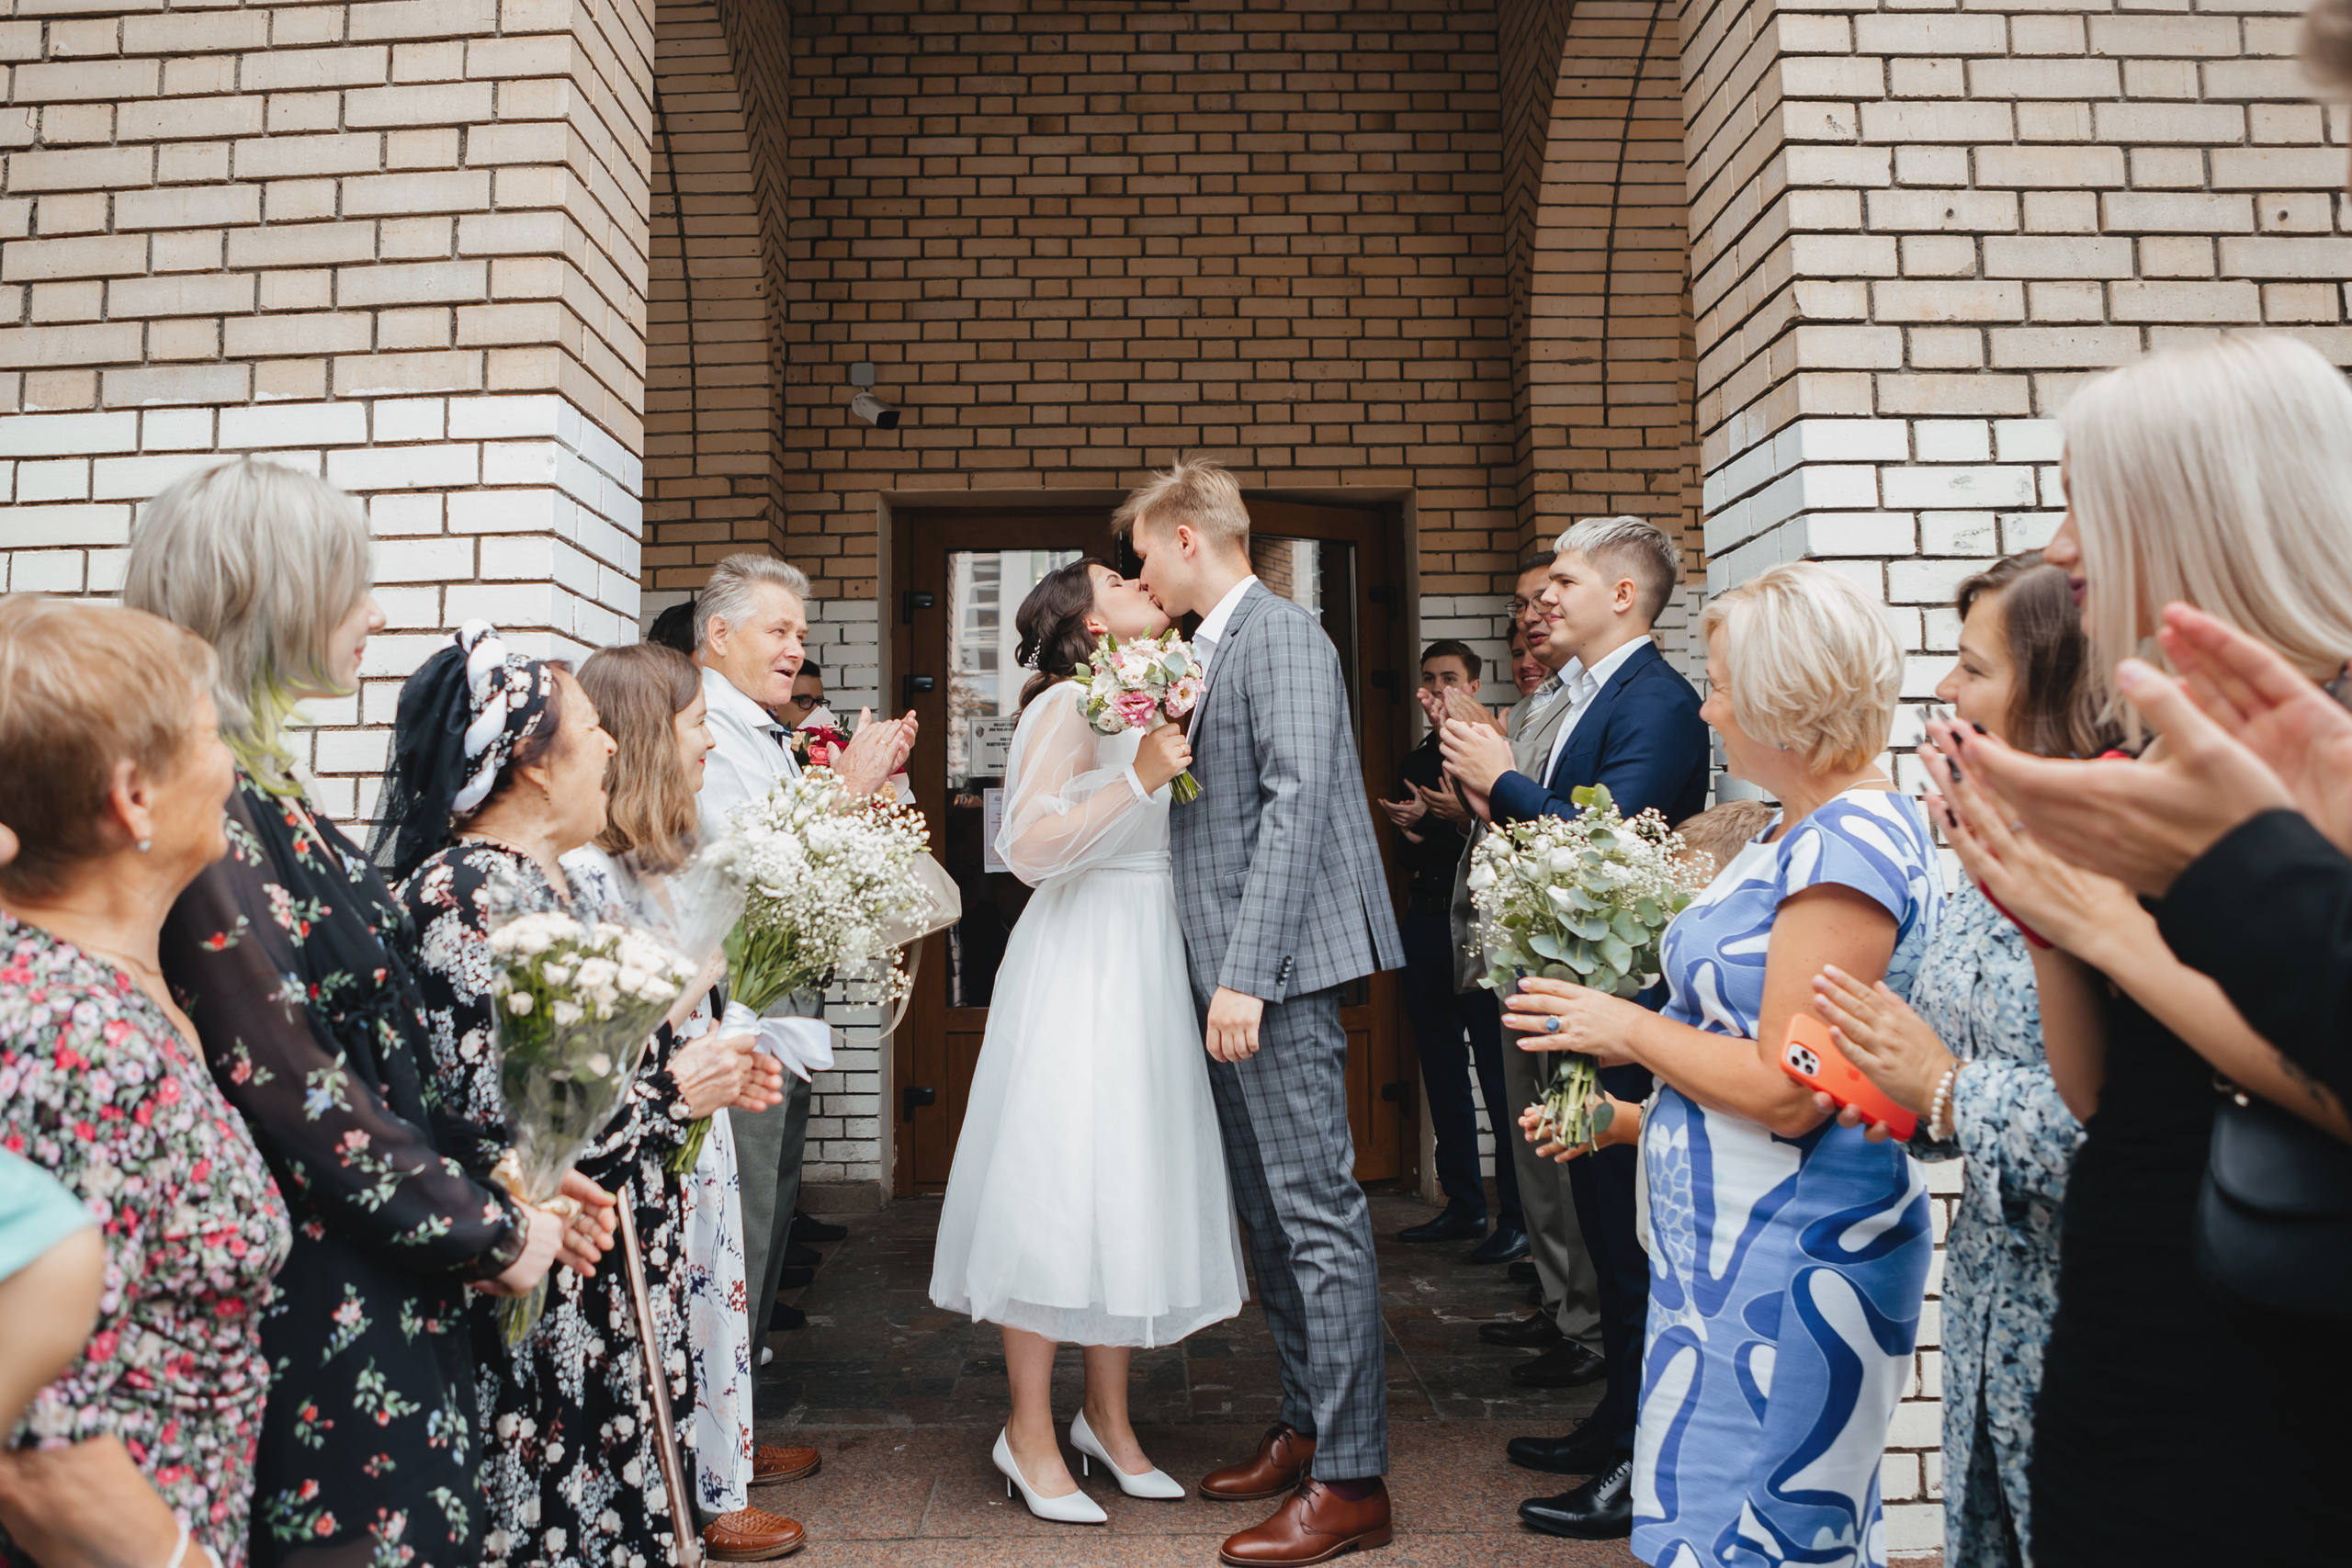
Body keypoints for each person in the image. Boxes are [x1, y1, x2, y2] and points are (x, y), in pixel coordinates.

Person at [1910, 333, 2352, 1564]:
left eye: (2082, 504)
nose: (2059, 549)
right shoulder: (2163, 754)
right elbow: (2105, 1088)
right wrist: (2045, 908)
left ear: (2203, 514)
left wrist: (2115, 924)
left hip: (2276, 1342)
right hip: (2132, 1305)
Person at [128, 459, 590, 1568]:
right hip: (324, 1291)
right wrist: (488, 1228)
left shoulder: (266, 787)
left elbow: (380, 1056)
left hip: (386, 1257)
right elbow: (285, 1078)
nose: (376, 614)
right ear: (268, 594)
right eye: (350, 584)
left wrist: (503, 1170)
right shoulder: (211, 810)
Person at [1506, 559, 1941, 1556]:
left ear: (1790, 697)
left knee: (1759, 1535)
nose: (1706, 709)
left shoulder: (1848, 849)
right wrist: (1617, 1121)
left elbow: (1792, 1097)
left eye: (1723, 684)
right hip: (1730, 1246)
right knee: (1704, 1523)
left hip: (1794, 1256)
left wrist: (1622, 1031)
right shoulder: (1792, 832)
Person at [379, 623, 779, 1567]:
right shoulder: (469, 895)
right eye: (589, 726)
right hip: (543, 1277)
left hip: (602, 1256)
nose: (609, 744)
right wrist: (677, 1090)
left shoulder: (540, 884)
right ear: (525, 758)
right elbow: (510, 1134)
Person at [1124, 456, 1405, 1567]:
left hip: (1266, 976)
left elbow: (1296, 807)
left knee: (1314, 1215)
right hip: (1230, 974)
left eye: (1145, 546)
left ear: (1189, 538)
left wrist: (1246, 973)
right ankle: (1305, 1426)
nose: (1136, 565)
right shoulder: (1211, 643)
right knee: (1270, 1213)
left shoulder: (1281, 636)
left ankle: (1351, 1480)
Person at [928, 558, 1243, 1524]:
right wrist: (1141, 780)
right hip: (1080, 956)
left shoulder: (1154, 697)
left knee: (1128, 1179)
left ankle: (1107, 1419)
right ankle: (1027, 1428)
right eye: (1117, 577)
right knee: (1057, 1176)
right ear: (1090, 624)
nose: (1141, 578)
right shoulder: (1063, 704)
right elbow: (1024, 849)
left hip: (1151, 953)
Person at [1804, 555, 2102, 1568]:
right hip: (1990, 1293)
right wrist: (1881, 1089)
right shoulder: (1986, 846)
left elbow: (2120, 1125)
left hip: (2094, 1312)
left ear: (2055, 684)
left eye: (1971, 668)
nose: (1943, 689)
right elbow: (1919, 1055)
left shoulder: (2115, 858)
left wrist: (1941, 1087)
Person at [0, 598, 291, 1568]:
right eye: (212, 737)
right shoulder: (65, 1038)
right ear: (131, 796)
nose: (231, 768)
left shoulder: (121, 990)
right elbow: (40, 1448)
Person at [1441, 518, 1712, 1514]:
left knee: (1629, 1229)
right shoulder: (1586, 692)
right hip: (1579, 994)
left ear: (1623, 596)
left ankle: (1642, 1460)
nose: (1544, 596)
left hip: (1628, 999)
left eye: (1563, 580)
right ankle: (1615, 1421)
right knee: (1603, 1223)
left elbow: (1611, 846)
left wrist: (1498, 777)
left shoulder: (1661, 704)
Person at [568, 643, 799, 1559]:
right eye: (698, 724)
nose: (710, 743)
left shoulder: (664, 857)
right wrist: (695, 979)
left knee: (708, 1296)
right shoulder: (587, 873)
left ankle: (716, 1471)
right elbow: (587, 1034)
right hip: (635, 1135)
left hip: (687, 1128)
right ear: (647, 738)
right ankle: (697, 1490)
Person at [692, 554, 914, 1361]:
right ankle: (721, 1455)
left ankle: (740, 1425)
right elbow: (749, 867)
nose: (796, 648)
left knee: (773, 1198)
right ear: (719, 634)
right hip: (738, 1005)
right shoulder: (706, 731)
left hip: (779, 998)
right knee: (743, 1208)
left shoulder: (765, 728)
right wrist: (847, 786)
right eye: (778, 629)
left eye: (802, 633)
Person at [1442, 556, 1609, 1373]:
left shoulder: (1602, 704)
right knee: (1536, 1148)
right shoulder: (1545, 701)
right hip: (1519, 951)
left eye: (1550, 598)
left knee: (1566, 1144)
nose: (1535, 614)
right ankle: (1559, 1300)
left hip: (1571, 961)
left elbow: (1570, 823)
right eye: (1521, 606)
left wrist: (1495, 775)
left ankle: (1586, 1320)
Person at [1374, 640, 1525, 1262]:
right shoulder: (1417, 757)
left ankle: (1515, 1215)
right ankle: (1463, 1204)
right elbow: (1415, 859)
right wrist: (1414, 827)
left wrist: (1459, 819)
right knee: (1440, 1068)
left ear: (1476, 684)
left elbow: (1507, 837)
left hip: (1481, 928)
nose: (1438, 690)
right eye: (1430, 680)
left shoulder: (1493, 753)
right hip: (1427, 924)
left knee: (1496, 1070)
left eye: (1451, 679)